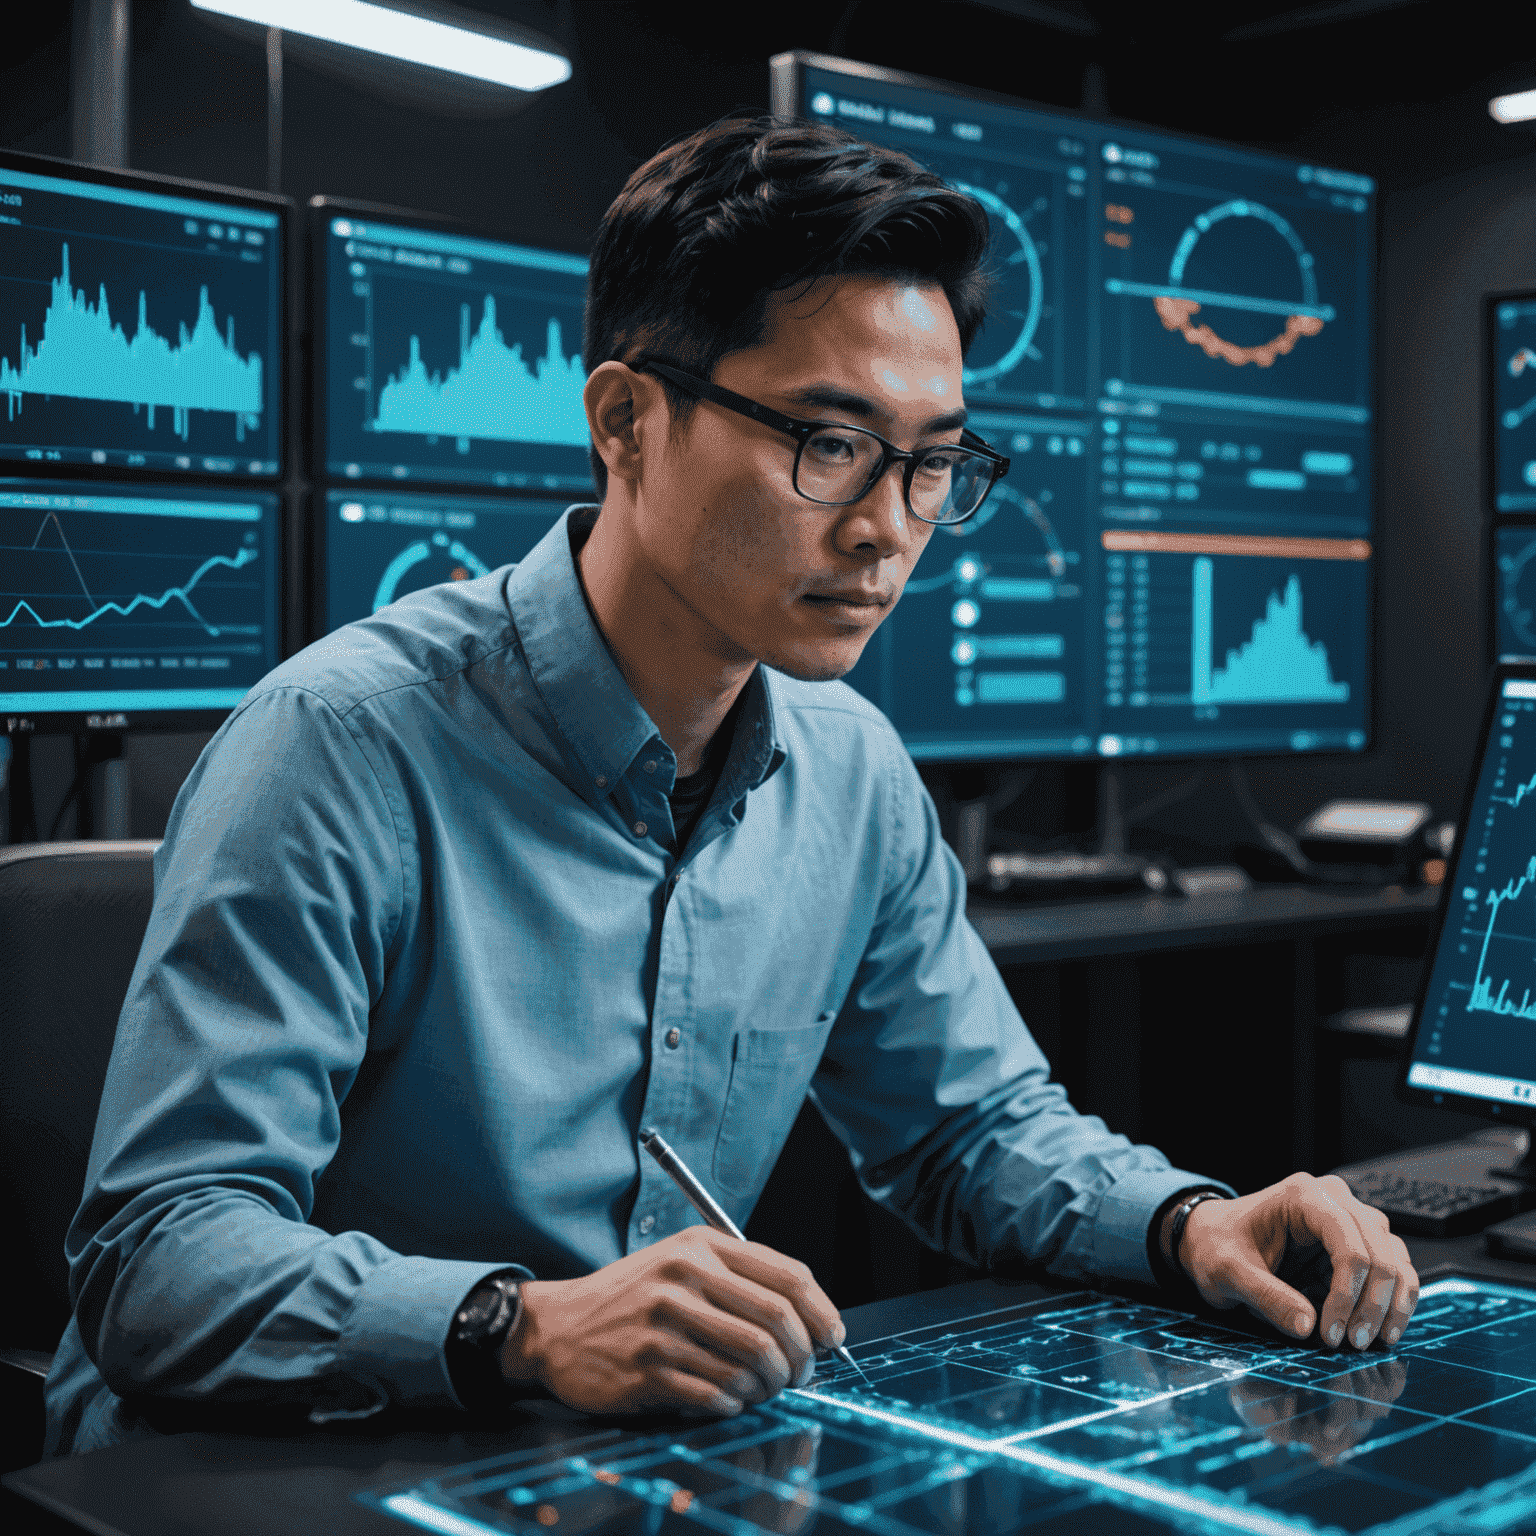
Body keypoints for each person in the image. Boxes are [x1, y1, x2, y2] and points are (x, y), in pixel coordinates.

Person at [44, 115, 1418, 1456]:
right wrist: (516, 1328)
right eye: (829, 444)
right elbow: (159, 1260)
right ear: (626, 421)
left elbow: (970, 1129)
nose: (888, 529)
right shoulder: (338, 744)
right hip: (264, 1466)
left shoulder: (853, 770)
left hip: (601, 1461)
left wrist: (1187, 1223)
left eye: (934, 463)